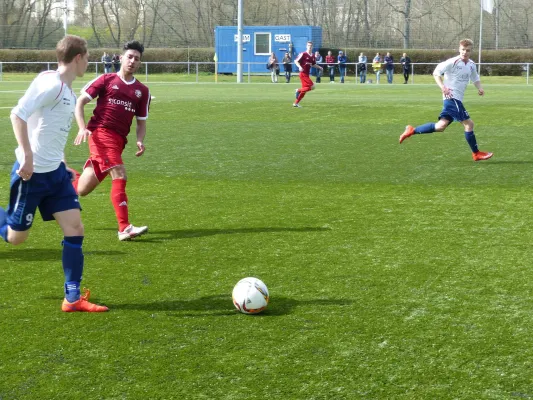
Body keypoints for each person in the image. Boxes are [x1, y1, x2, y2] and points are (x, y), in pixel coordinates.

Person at [0, 35, 108, 313]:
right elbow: (18, 115)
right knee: (16, 238)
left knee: (75, 228)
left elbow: (50, 131)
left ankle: (72, 298)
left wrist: (62, 163)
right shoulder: (51, 85)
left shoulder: (66, 89)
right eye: (87, 57)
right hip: (31, 175)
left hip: (56, 175)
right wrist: (27, 155)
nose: (88, 62)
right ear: (78, 58)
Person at [73, 40, 151, 240]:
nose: (133, 61)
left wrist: (140, 140)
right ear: (121, 58)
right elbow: (80, 102)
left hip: (119, 141)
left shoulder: (142, 91)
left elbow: (141, 122)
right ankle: (124, 228)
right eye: (130, 57)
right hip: (100, 133)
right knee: (120, 174)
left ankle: (62, 178)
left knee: (82, 189)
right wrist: (82, 128)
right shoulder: (106, 80)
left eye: (137, 59)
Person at [399, 38, 493, 162]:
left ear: (471, 51)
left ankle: (412, 130)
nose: (465, 52)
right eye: (463, 49)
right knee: (469, 124)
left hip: (456, 99)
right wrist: (443, 87)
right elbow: (436, 73)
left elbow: (475, 78)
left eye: (467, 50)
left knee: (440, 126)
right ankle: (476, 153)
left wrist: (480, 88)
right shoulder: (452, 62)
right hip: (451, 98)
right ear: (459, 49)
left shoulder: (471, 65)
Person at [293, 41, 323, 108]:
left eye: (311, 46)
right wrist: (299, 67)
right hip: (303, 74)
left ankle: (296, 103)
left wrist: (319, 67)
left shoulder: (312, 56)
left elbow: (313, 64)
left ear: (312, 47)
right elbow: (295, 61)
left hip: (307, 74)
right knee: (312, 86)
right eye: (308, 45)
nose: (310, 47)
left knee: (304, 90)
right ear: (306, 46)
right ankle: (298, 90)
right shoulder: (303, 54)